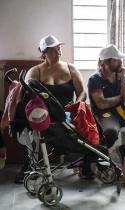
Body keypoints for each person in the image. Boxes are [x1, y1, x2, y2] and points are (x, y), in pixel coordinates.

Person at [15, 35, 88, 181]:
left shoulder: (70, 68)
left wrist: (75, 105)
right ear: (44, 53)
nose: (58, 52)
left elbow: (82, 93)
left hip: (67, 114)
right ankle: (28, 164)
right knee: (25, 118)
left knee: (85, 118)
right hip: (45, 115)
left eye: (59, 48)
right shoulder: (36, 71)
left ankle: (86, 160)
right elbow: (28, 94)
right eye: (54, 49)